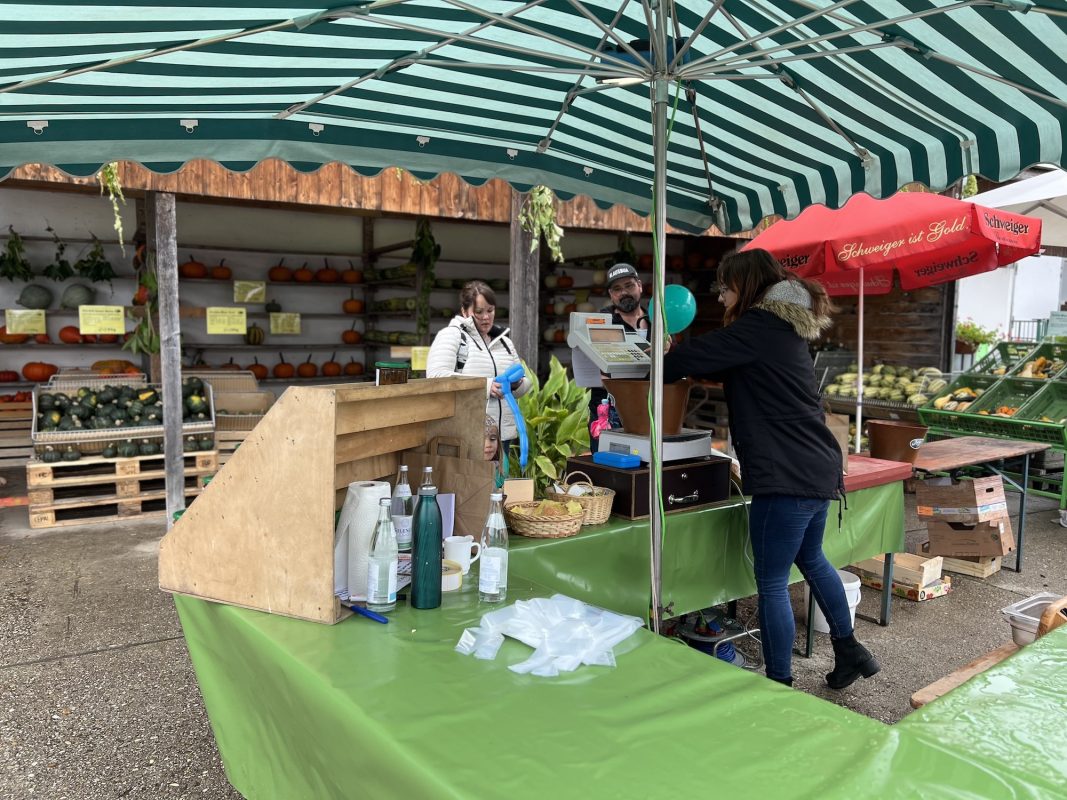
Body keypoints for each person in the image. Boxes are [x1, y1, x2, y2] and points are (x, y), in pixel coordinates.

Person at [662, 248, 879, 690]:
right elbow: (732, 366)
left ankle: (779, 684)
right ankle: (850, 650)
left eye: (724, 288)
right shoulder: (781, 329)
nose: (720, 297)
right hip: (817, 468)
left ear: (745, 285)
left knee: (773, 582)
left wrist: (663, 354)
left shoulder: (759, 326)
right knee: (813, 559)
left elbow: (686, 360)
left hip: (786, 477)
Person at [427, 280, 531, 459]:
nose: (486, 317)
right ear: (464, 311)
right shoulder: (452, 336)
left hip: (500, 438)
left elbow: (524, 381)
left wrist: (516, 385)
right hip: (467, 435)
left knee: (500, 478)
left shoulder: (505, 342)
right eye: (479, 312)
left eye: (490, 310)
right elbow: (436, 377)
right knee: (467, 477)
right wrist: (486, 386)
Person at [571, 263, 650, 450]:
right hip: (608, 408)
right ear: (610, 294)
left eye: (629, 285)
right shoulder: (600, 321)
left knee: (644, 459)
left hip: (647, 405)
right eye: (617, 289)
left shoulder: (657, 321)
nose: (624, 292)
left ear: (640, 285)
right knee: (605, 460)